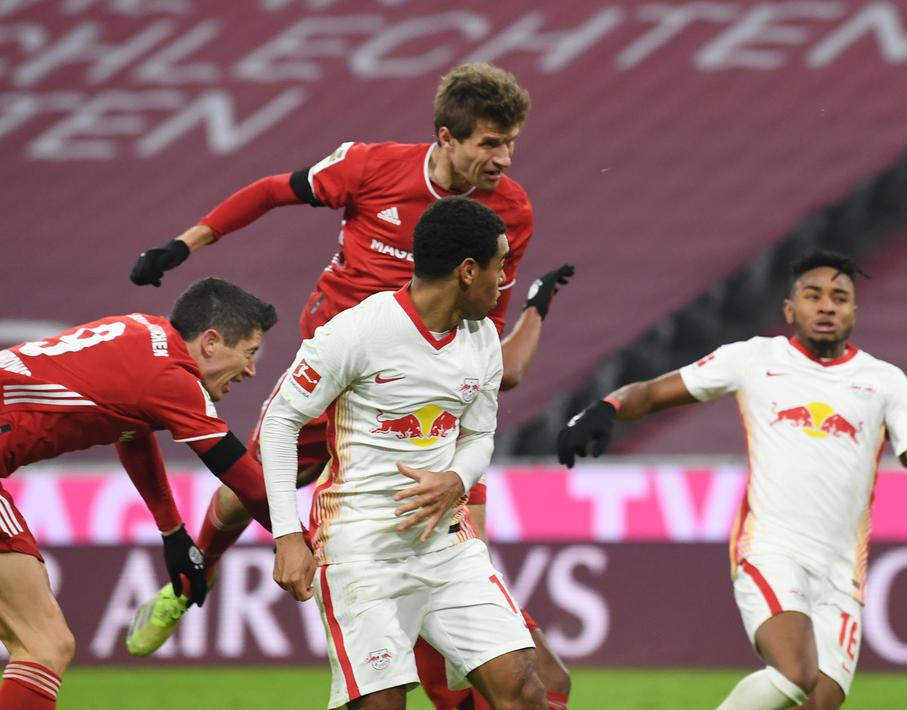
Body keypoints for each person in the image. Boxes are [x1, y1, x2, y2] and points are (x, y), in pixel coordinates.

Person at [125, 62, 572, 709]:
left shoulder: (509, 212)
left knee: (461, 534)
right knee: (240, 495)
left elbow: (486, 350)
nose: (502, 159)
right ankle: (192, 580)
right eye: (488, 143)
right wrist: (185, 244)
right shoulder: (372, 168)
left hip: (423, 397)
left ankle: (470, 656)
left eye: (510, 143)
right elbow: (273, 191)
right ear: (446, 137)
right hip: (337, 378)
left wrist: (529, 316)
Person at [557, 250, 907, 710]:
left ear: (855, 311)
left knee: (818, 703)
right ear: (790, 310)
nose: (827, 306)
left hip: (842, 572)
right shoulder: (754, 359)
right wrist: (606, 409)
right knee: (795, 673)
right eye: (813, 296)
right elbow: (654, 392)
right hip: (771, 549)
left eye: (840, 297)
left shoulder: (885, 382)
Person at [263, 196, 544, 709]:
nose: (504, 280)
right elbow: (280, 420)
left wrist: (457, 479)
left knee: (524, 690)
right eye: (499, 265)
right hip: (360, 547)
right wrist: (287, 536)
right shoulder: (359, 331)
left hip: (446, 544)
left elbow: (479, 436)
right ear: (466, 271)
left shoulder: (482, 339)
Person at [0, 278, 277, 710]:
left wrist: (173, 533)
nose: (251, 370)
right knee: (44, 646)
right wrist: (309, 540)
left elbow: (131, 430)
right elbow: (247, 482)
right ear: (210, 341)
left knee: (41, 643)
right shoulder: (171, 379)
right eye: (249, 353)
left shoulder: (142, 333)